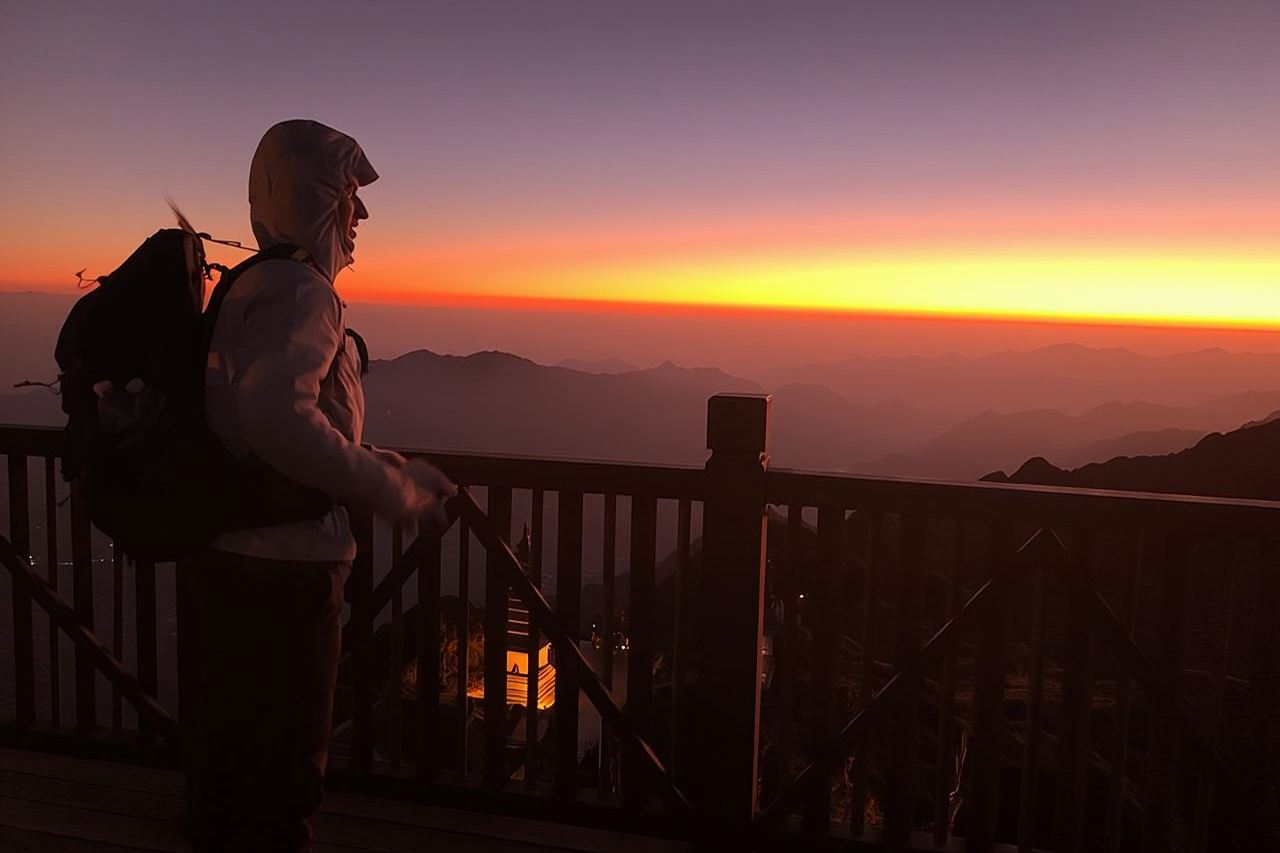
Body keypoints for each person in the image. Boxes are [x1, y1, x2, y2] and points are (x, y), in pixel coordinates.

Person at [187, 119, 452, 852]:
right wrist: (388, 491)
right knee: (283, 768)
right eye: (348, 193)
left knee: (232, 759)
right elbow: (277, 419)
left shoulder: (252, 284)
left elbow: (270, 419)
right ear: (315, 197)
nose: (361, 213)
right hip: (289, 568)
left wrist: (382, 464)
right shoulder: (303, 291)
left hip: (230, 552)